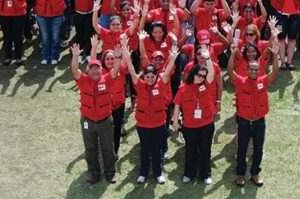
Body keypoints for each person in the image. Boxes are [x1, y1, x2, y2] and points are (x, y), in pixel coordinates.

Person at [122, 42, 178, 184]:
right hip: (143, 124)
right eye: (147, 77)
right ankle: (143, 172)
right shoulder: (140, 85)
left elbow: (167, 72)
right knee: (145, 150)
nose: (150, 79)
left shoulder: (161, 83)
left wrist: (172, 59)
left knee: (157, 150)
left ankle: (158, 174)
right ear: (144, 77)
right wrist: (128, 58)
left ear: (155, 76)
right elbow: (133, 73)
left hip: (158, 123)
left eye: (152, 77)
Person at [227, 37, 279, 187]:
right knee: (242, 150)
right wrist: (232, 54)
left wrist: (275, 55)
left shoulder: (263, 81)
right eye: (251, 69)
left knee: (258, 150)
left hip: (259, 122)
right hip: (243, 122)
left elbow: (274, 72)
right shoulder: (241, 81)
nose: (254, 71)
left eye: (256, 69)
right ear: (248, 69)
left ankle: (255, 173)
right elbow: (230, 71)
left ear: (259, 70)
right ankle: (241, 174)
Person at [70, 44, 117, 184]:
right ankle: (94, 172)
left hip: (105, 121)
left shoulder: (107, 80)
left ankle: (110, 172)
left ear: (101, 69)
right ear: (88, 71)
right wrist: (75, 56)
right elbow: (74, 70)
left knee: (108, 148)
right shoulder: (83, 81)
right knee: (90, 149)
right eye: (92, 68)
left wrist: (119, 56)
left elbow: (115, 71)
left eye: (97, 68)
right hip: (88, 122)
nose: (95, 70)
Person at [171, 50, 216, 184]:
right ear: (193, 74)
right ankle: (189, 173)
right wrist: (174, 121)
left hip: (206, 124)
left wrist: (207, 58)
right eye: (198, 75)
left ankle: (205, 174)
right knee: (190, 150)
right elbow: (177, 105)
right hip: (189, 125)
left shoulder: (206, 84)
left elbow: (212, 73)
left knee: (205, 150)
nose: (201, 78)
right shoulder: (183, 87)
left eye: (203, 76)